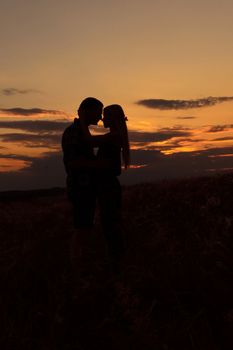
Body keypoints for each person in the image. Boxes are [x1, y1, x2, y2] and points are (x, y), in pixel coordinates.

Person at [80, 104, 130, 264]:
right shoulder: (113, 134)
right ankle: (117, 261)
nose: (102, 119)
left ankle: (118, 263)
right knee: (110, 224)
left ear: (113, 118)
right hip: (108, 186)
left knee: (111, 226)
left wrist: (81, 121)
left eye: (105, 116)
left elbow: (89, 140)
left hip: (108, 187)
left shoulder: (113, 136)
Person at [61, 97, 103, 262]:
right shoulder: (74, 132)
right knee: (82, 228)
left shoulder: (83, 131)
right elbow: (73, 162)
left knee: (85, 226)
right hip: (80, 187)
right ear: (88, 111)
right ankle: (77, 264)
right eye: (98, 113)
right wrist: (100, 164)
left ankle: (81, 262)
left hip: (85, 187)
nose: (100, 118)